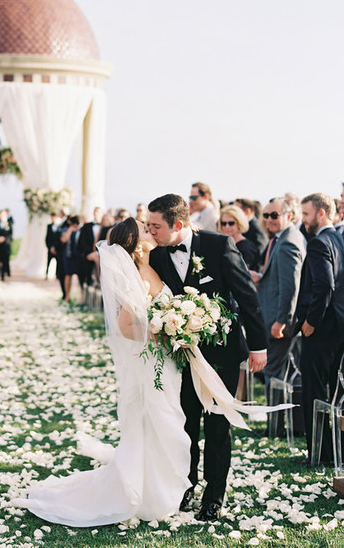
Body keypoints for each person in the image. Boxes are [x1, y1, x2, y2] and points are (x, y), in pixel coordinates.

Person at [12, 218, 190, 525]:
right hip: (152, 362)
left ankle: (160, 489)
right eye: (145, 230)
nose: (151, 231)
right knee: (155, 422)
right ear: (136, 245)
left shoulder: (153, 265)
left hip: (163, 361)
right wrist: (165, 334)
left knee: (162, 422)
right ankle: (147, 494)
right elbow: (125, 326)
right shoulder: (136, 277)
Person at [148, 194, 267, 521]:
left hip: (221, 355)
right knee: (185, 424)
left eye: (156, 226)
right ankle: (185, 486)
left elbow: (246, 294)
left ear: (178, 224)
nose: (151, 231)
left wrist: (258, 346)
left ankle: (214, 496)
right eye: (149, 225)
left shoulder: (218, 245)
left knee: (217, 426)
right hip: (180, 355)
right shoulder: (156, 255)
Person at [295, 192, 344, 464]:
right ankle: (334, 451)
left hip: (322, 328)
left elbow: (324, 285)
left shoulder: (318, 243)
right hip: (338, 327)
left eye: (306, 214)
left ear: (321, 213)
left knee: (314, 391)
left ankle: (320, 453)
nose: (302, 219)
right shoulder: (340, 239)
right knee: (335, 391)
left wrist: (311, 322)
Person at [249, 198, 306, 392]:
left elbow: (290, 287)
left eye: (274, 215)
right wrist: (262, 277)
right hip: (273, 316)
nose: (268, 220)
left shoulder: (289, 242)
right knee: (278, 376)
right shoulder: (281, 238)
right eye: (266, 215)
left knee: (273, 376)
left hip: (278, 322)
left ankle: (275, 413)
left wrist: (282, 321)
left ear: (289, 216)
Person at [219, 205, 260, 271]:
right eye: (223, 223)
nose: (227, 227)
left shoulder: (247, 248)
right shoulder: (223, 244)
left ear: (239, 223)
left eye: (231, 223)